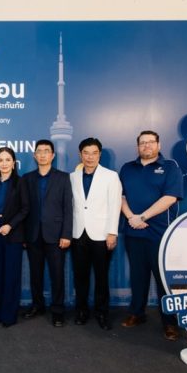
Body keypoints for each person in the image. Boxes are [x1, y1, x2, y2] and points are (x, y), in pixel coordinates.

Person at [119, 130, 183, 341]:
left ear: (159, 145)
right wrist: (131, 217)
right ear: (137, 146)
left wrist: (143, 217)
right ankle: (137, 313)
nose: (146, 145)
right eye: (142, 143)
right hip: (133, 231)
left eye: (151, 142)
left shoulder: (170, 167)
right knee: (138, 277)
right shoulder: (127, 168)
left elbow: (170, 197)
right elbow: (121, 196)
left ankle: (170, 322)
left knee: (163, 279)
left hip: (160, 233)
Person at [69, 138, 122, 330]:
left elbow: (115, 205)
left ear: (99, 154)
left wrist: (112, 232)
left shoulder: (111, 176)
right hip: (78, 233)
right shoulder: (73, 176)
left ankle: (102, 313)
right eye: (86, 153)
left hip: (102, 235)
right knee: (80, 277)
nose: (90, 157)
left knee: (101, 277)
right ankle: (81, 311)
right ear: (80, 154)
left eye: (94, 153)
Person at [21, 139, 73, 327]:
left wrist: (66, 234)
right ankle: (38, 305)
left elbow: (68, 208)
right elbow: (24, 208)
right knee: (35, 274)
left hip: (56, 235)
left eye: (46, 151)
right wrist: (24, 235)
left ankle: (58, 310)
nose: (42, 154)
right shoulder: (27, 178)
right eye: (39, 151)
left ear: (52, 155)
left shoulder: (63, 178)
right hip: (33, 235)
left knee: (57, 275)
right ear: (35, 155)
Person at [0, 147, 29, 327]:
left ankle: (9, 316)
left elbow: (25, 208)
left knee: (11, 277)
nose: (4, 163)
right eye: (0, 160)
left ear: (13, 163)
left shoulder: (20, 182)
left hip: (13, 235)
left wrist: (10, 225)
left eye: (7, 160)